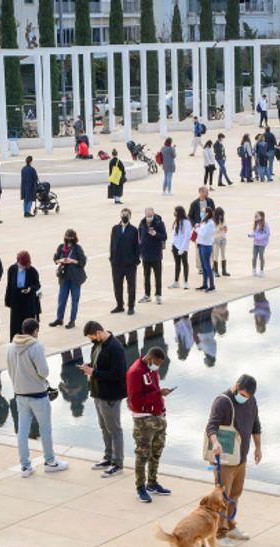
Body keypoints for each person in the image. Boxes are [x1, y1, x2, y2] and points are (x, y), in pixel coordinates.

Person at [6, 319, 70, 477]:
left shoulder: (10, 347)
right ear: (35, 331)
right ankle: (50, 462)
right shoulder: (36, 346)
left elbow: (10, 370)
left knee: (22, 431)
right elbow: (44, 371)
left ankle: (25, 466)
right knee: (45, 429)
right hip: (37, 395)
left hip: (20, 394)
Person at [205, 374, 262, 547]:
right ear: (236, 386)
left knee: (235, 494)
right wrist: (215, 443)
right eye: (243, 395)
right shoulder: (222, 401)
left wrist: (258, 448)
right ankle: (219, 534)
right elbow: (211, 426)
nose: (245, 399)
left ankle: (230, 526)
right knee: (222, 497)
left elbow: (256, 425)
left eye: (248, 396)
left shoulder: (251, 401)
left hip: (241, 457)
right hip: (225, 458)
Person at [126, 346, 173, 503]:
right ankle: (140, 488)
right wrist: (158, 394)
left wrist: (161, 403)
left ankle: (152, 483)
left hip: (158, 416)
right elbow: (135, 400)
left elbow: (154, 390)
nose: (158, 367)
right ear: (150, 358)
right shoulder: (135, 372)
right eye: (157, 363)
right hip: (144, 420)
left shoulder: (152, 370)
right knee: (143, 454)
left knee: (156, 452)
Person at [81, 321, 127, 477]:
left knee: (114, 429)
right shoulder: (98, 344)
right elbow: (100, 365)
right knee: (104, 427)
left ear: (99, 333)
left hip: (110, 395)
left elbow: (117, 374)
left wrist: (93, 372)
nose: (91, 340)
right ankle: (108, 458)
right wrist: (89, 366)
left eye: (92, 337)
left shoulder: (115, 348)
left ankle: (118, 463)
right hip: (98, 393)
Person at [49, 229, 87, 329]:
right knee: (61, 299)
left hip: (75, 278)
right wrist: (61, 260)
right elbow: (55, 259)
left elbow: (82, 262)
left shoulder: (77, 248)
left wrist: (72, 261)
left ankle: (72, 320)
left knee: (74, 300)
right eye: (67, 237)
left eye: (71, 237)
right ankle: (59, 318)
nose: (69, 239)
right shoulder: (61, 247)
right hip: (64, 277)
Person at [4, 250, 41, 340]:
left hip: (28, 302)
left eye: (24, 266)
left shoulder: (32, 271)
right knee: (15, 325)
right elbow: (9, 285)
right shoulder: (12, 269)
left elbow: (37, 285)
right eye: (20, 265)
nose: (22, 267)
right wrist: (7, 301)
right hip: (16, 300)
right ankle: (16, 342)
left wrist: (30, 289)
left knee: (28, 325)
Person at [109, 208, 140, 314]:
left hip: (129, 264)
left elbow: (137, 246)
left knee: (131, 287)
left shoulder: (134, 230)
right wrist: (112, 258)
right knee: (117, 286)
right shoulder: (115, 229)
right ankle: (119, 305)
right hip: (117, 263)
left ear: (130, 216)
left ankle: (131, 306)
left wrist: (136, 260)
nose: (124, 216)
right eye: (123, 214)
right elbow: (112, 245)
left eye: (126, 215)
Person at [138, 207, 167, 305]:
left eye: (150, 215)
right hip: (145, 255)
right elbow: (139, 237)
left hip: (156, 255)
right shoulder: (142, 223)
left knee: (157, 277)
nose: (149, 217)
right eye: (147, 215)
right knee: (146, 276)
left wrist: (155, 234)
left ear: (153, 213)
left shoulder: (159, 223)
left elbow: (164, 236)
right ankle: (147, 295)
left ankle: (158, 295)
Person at [169, 205, 191, 290]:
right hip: (175, 246)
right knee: (177, 264)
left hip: (182, 247)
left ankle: (186, 282)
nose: (174, 213)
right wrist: (172, 244)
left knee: (184, 263)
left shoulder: (186, 222)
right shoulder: (176, 221)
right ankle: (176, 281)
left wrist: (182, 248)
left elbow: (187, 236)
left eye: (175, 211)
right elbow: (174, 234)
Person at [195, 209, 216, 292]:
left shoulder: (210, 223)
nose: (201, 213)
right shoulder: (204, 221)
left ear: (207, 213)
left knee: (207, 266)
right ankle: (204, 284)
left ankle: (212, 285)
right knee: (203, 266)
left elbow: (204, 235)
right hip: (201, 245)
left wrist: (197, 230)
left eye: (203, 212)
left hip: (206, 246)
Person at [249, 210, 270, 277]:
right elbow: (255, 233)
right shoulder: (256, 223)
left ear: (261, 216)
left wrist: (260, 237)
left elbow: (267, 234)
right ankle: (254, 270)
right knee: (254, 257)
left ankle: (261, 270)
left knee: (261, 257)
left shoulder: (265, 224)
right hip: (255, 243)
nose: (256, 217)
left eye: (257, 216)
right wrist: (252, 235)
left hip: (262, 244)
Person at [210, 207, 230, 278]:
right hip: (216, 240)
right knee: (216, 255)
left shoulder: (223, 220)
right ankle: (215, 271)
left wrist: (224, 228)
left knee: (223, 255)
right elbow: (213, 231)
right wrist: (219, 228)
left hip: (223, 239)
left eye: (222, 214)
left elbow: (226, 229)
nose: (221, 216)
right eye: (219, 214)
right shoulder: (213, 221)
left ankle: (224, 271)